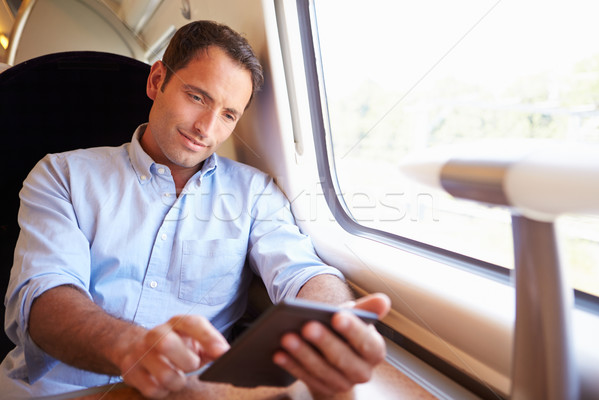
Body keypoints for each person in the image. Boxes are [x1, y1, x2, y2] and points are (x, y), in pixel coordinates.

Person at [0, 20, 390, 399]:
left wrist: (336, 322)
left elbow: (302, 273)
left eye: (228, 115)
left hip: (194, 393)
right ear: (157, 82)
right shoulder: (63, 174)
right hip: (62, 392)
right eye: (198, 97)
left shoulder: (255, 193)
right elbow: (43, 298)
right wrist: (131, 346)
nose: (207, 128)